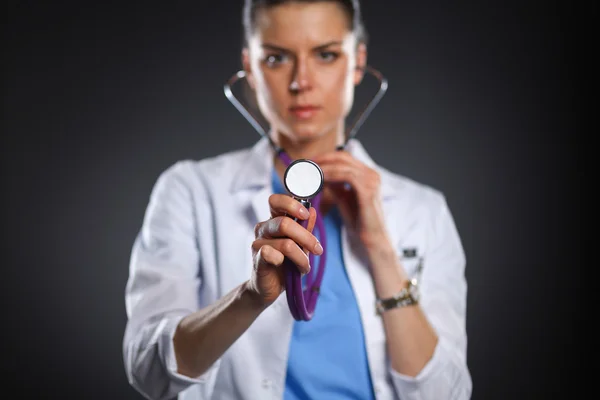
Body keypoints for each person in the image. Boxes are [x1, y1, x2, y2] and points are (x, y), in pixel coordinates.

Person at [122, 1, 472, 399]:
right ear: (250, 67)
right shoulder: (189, 190)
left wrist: (380, 251)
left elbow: (448, 394)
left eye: (325, 55)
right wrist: (250, 298)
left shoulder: (422, 209)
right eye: (275, 58)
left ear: (357, 64)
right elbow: (149, 371)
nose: (301, 81)